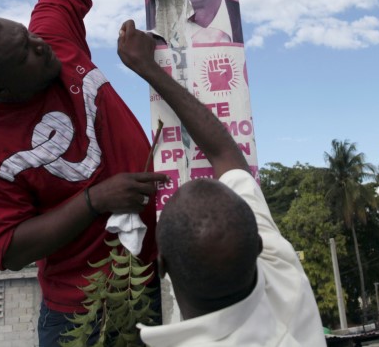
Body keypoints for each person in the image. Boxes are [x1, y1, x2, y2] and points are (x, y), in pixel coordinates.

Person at [0, 0, 174, 347]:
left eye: (28, 33)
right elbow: (10, 249)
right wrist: (94, 200)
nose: (40, 44)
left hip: (154, 280)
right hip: (82, 314)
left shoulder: (53, 38)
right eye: (25, 53)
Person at [117, 20, 325, 346]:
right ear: (258, 246)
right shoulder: (284, 277)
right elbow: (226, 153)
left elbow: (224, 154)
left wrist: (147, 68)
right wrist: (151, 70)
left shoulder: (282, 269)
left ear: (161, 266)